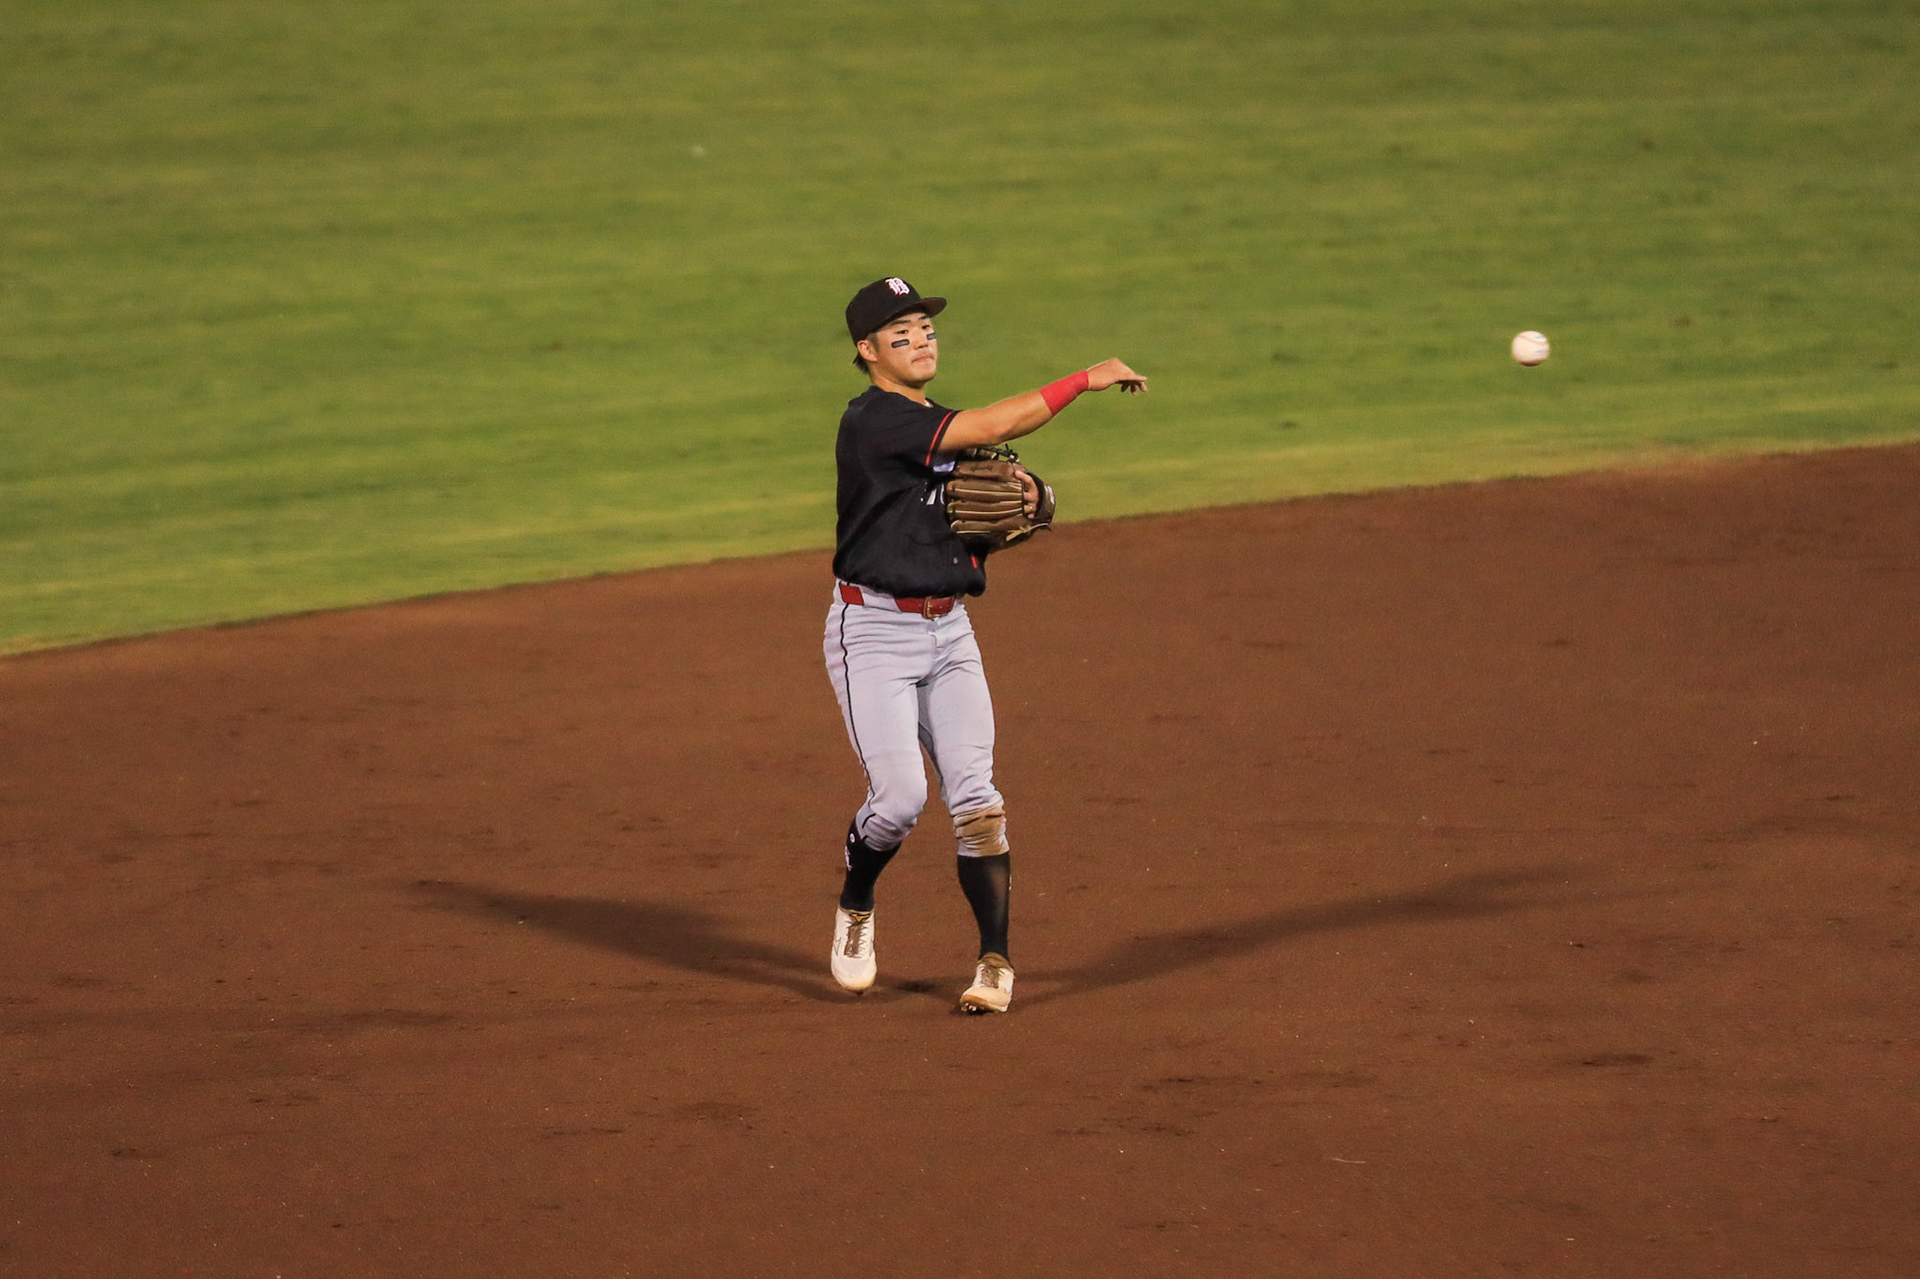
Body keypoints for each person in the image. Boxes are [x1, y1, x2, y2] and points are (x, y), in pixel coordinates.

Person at [823, 276, 1147, 1013]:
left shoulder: (935, 424)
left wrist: (1035, 502)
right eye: (901, 333)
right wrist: (1083, 380)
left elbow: (977, 513)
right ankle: (856, 903)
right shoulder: (874, 420)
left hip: (950, 631)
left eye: (928, 328)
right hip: (871, 630)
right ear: (868, 351)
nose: (922, 339)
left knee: (978, 800)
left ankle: (994, 962)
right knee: (900, 799)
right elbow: (998, 424)